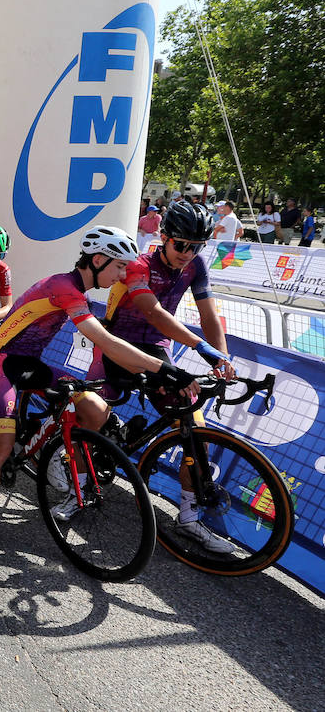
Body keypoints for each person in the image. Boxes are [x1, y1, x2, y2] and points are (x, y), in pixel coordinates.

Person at [0, 226, 194, 564]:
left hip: (33, 361)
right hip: (1, 361)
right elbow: (103, 340)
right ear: (99, 260)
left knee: (96, 409)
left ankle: (53, 451)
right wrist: (165, 369)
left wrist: (151, 369)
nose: (123, 275)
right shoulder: (64, 286)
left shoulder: (81, 292)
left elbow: (109, 343)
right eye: (119, 267)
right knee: (0, 446)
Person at [92, 202, 237, 552]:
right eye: (181, 245)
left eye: (196, 246)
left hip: (156, 348)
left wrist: (223, 356)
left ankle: (188, 516)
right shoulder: (138, 264)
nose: (188, 253)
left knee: (192, 430)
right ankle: (75, 487)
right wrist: (204, 348)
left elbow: (208, 317)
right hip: (117, 343)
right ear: (164, 237)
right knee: (92, 413)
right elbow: (153, 312)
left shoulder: (196, 266)